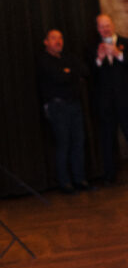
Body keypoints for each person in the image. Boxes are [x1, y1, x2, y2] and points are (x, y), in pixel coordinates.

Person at [92, 14, 128, 185]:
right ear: (98, 29)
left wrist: (118, 54)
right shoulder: (93, 46)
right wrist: (99, 59)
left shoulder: (126, 42)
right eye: (102, 26)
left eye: (107, 25)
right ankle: (110, 177)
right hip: (106, 102)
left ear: (113, 25)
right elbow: (90, 72)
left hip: (126, 100)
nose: (105, 29)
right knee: (108, 139)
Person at [38, 29, 89, 193]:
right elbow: (59, 78)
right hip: (57, 107)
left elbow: (85, 72)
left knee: (78, 142)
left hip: (74, 104)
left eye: (60, 37)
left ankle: (80, 179)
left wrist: (69, 73)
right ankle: (65, 183)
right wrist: (71, 75)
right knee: (63, 143)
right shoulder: (44, 60)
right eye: (53, 38)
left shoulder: (69, 57)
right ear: (46, 42)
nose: (58, 41)